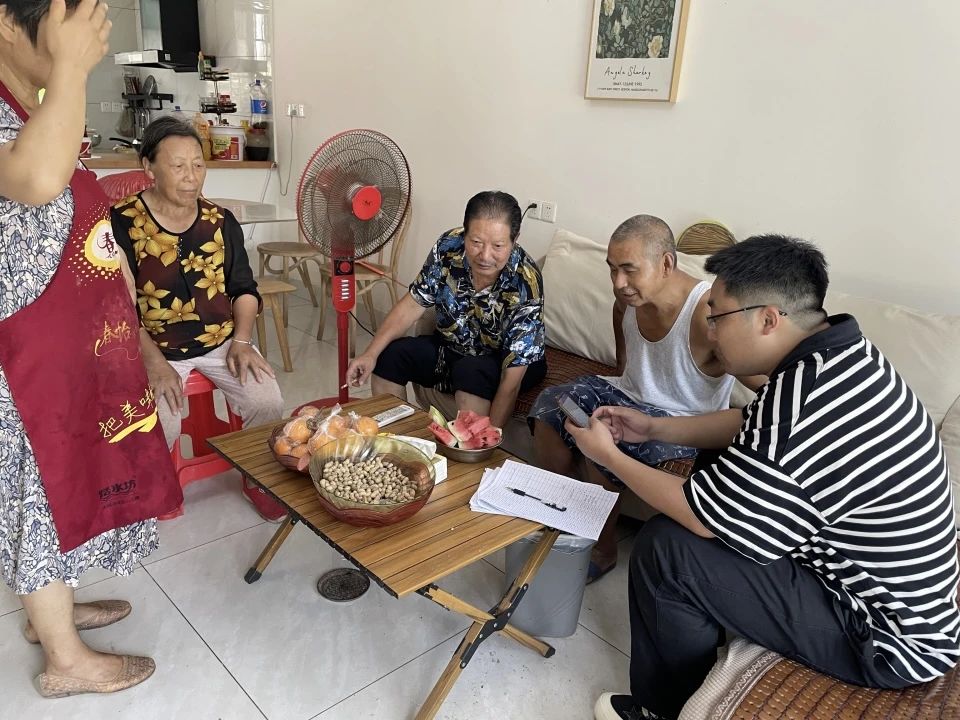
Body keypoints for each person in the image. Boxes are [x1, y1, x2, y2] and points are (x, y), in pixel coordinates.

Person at [566, 236, 960, 720]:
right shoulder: (834, 357)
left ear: (768, 319)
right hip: (882, 589)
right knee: (714, 468)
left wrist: (608, 455)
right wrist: (652, 427)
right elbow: (748, 423)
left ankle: (660, 710)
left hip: (882, 634)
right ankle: (704, 633)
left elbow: (700, 516)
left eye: (717, 317)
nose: (710, 332)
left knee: (667, 551)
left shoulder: (807, 406)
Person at [0, 0, 183, 697]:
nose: (75, 53)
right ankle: (65, 662)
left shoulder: (32, 104)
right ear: (8, 23)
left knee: (64, 484)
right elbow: (36, 180)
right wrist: (70, 69)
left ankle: (50, 615)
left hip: (67, 344)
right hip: (23, 358)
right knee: (39, 491)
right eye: (62, 34)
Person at [530, 215, 759, 582]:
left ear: (666, 263)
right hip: (627, 393)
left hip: (684, 419)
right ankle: (560, 518)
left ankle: (603, 550)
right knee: (550, 407)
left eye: (629, 270)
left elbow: (765, 382)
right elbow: (623, 344)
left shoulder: (707, 315)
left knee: (605, 442)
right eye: (612, 269)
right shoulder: (627, 300)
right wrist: (621, 381)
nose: (618, 282)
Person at [110, 116, 286, 522]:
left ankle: (258, 479)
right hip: (154, 347)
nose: (191, 177)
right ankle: (154, 487)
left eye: (198, 164)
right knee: (161, 421)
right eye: (178, 166)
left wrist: (242, 340)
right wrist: (154, 363)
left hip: (221, 340)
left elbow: (244, 289)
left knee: (267, 400)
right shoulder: (121, 223)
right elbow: (119, 308)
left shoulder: (220, 221)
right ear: (148, 167)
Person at [346, 191, 547, 429]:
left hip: (504, 362)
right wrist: (370, 354)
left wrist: (493, 438)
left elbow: (511, 382)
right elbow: (412, 304)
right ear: (465, 232)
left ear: (515, 240)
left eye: (498, 246)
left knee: (471, 372)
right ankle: (399, 439)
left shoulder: (525, 281)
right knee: (389, 356)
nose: (485, 256)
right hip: (453, 347)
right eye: (476, 242)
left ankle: (470, 445)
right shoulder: (448, 246)